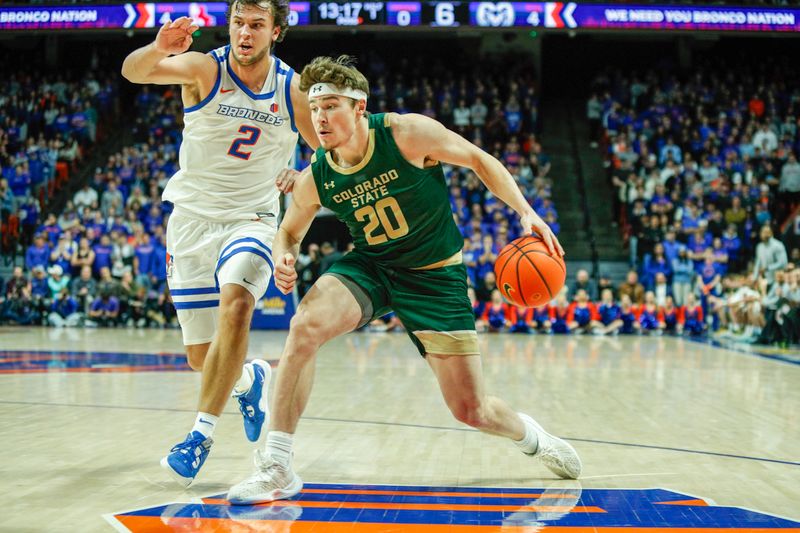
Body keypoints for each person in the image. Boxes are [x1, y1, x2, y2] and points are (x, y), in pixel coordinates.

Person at [228, 56, 581, 504]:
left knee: (471, 410)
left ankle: (532, 436)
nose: (319, 118)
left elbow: (477, 159)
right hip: (372, 267)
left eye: (331, 106)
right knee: (303, 327)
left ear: (359, 108)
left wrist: (526, 212)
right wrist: (284, 257)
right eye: (315, 108)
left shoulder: (406, 133)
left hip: (434, 279)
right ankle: (277, 465)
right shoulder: (317, 173)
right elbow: (289, 230)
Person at [121, 0, 318, 487]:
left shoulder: (292, 90)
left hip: (252, 218)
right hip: (191, 220)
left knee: (237, 305)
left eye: (256, 25)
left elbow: (332, 148)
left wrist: (307, 173)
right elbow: (133, 72)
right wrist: (158, 47)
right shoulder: (206, 69)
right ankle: (249, 379)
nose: (244, 33)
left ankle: (199, 436)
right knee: (199, 356)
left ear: (276, 32)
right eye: (238, 23)